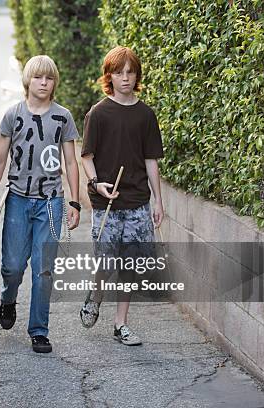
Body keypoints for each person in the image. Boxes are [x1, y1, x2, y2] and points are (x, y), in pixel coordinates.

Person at [0, 55, 81, 353]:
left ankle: (39, 330)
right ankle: (9, 297)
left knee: (43, 267)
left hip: (51, 201)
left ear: (54, 83)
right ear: (27, 81)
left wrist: (74, 202)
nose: (44, 83)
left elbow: (71, 163)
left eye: (49, 78)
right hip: (18, 199)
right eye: (38, 78)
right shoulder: (13, 115)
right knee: (12, 266)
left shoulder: (63, 117)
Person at [79, 46, 164, 346]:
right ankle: (97, 293)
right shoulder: (98, 113)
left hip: (138, 202)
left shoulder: (146, 115)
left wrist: (158, 202)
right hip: (107, 204)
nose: (125, 78)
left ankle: (121, 324)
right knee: (105, 263)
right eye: (119, 72)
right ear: (109, 76)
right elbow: (86, 156)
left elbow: (151, 160)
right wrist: (96, 183)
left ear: (137, 75)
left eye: (130, 72)